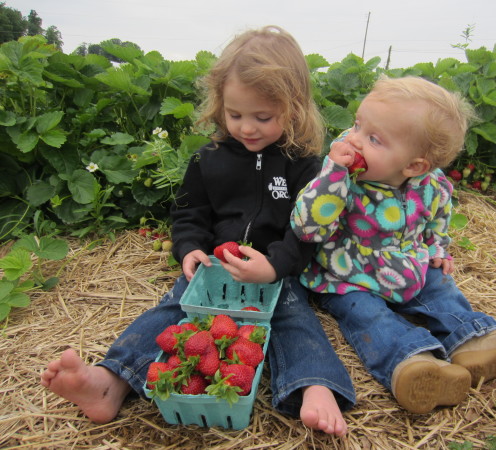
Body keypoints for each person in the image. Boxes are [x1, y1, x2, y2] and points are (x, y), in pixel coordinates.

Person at [40, 26, 355, 437]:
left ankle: (314, 385)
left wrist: (275, 266)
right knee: (171, 314)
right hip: (214, 271)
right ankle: (111, 380)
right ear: (219, 103)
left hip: (276, 274)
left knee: (295, 320)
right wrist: (188, 248)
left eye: (263, 117)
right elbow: (190, 212)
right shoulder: (209, 159)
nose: (247, 128)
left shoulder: (303, 165)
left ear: (293, 109)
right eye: (235, 114)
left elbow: (308, 230)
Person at [291, 76, 496, 414]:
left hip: (409, 264)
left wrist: (437, 247)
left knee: (440, 286)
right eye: (357, 124)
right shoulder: (343, 178)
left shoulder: (431, 184)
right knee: (368, 316)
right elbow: (306, 227)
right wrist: (333, 175)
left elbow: (439, 217)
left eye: (372, 138)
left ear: (415, 166)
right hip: (347, 276)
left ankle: (474, 339)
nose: (353, 139)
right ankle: (412, 362)